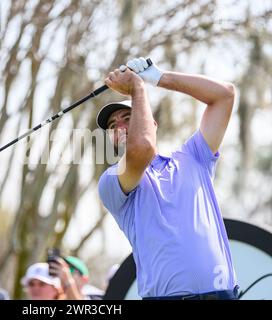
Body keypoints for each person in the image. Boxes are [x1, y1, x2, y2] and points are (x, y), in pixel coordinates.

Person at [97, 57, 239, 300]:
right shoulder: (111, 180)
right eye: (112, 125)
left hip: (224, 295)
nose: (119, 127)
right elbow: (142, 148)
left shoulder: (193, 157)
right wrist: (137, 88)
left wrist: (159, 78)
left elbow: (224, 95)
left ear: (152, 124)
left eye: (128, 118)